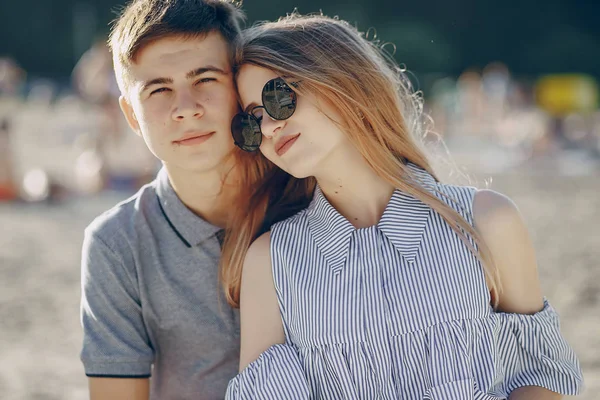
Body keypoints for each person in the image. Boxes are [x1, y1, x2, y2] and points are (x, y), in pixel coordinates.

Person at [220, 13, 584, 399]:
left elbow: (539, 372)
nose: (270, 127)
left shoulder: (487, 220)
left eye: (278, 99)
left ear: (344, 81)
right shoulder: (270, 264)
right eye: (252, 121)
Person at [79, 1, 249, 399]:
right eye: (159, 89)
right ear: (131, 115)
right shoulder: (116, 244)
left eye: (205, 79)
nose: (185, 109)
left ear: (239, 86)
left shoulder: (307, 194)